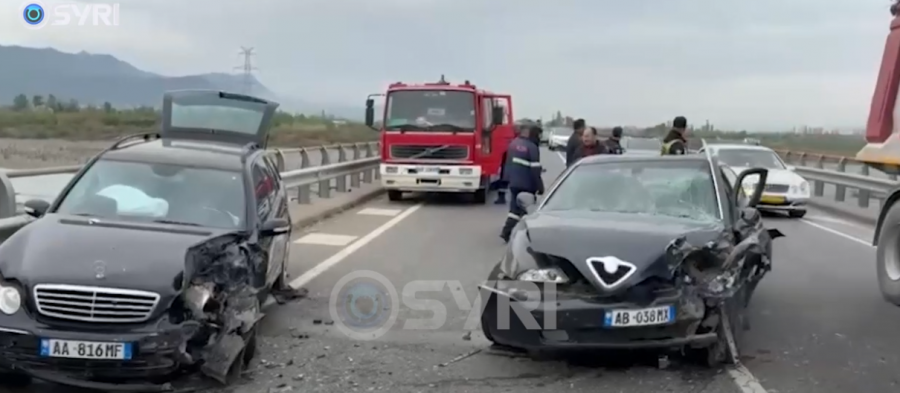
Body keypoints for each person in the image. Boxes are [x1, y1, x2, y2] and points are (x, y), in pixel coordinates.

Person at [499, 126, 544, 243]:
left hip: (513, 182)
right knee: (527, 210)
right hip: (526, 184)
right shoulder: (532, 147)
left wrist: (506, 179)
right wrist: (540, 186)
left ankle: (506, 232)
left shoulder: (514, 143)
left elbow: (507, 163)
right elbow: (535, 170)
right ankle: (525, 235)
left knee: (514, 209)